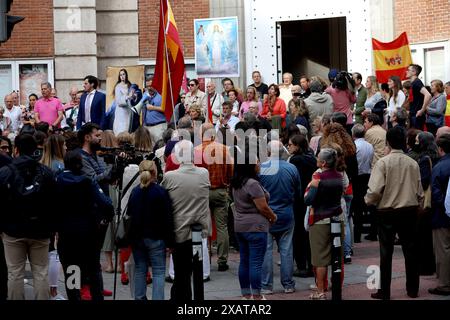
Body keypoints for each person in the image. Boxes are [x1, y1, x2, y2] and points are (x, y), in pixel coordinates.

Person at [365, 126, 423, 300]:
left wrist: (368, 200)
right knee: (411, 251)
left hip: (387, 211)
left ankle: (385, 291)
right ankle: (413, 289)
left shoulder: (383, 162)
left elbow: (374, 191)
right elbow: (419, 191)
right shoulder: (413, 163)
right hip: (409, 210)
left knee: (386, 252)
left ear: (388, 142)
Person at [0, 134, 56, 300]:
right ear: (35, 151)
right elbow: (53, 202)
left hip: (13, 230)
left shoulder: (5, 172)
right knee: (41, 272)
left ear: (15, 150)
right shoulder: (46, 172)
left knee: (15, 273)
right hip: (40, 230)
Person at [55, 150, 114, 300]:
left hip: (67, 233)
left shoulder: (58, 181)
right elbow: (106, 204)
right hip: (89, 231)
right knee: (93, 268)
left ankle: (75, 297)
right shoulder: (88, 182)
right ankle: (97, 296)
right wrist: (106, 218)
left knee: (72, 269)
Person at [161, 140, 210, 301]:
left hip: (179, 230)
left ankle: (181, 299)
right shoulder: (203, 173)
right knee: (192, 270)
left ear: (176, 157)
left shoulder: (170, 177)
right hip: (199, 231)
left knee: (182, 272)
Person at [231, 139, 277, 300]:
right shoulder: (253, 184)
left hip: (240, 225)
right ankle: (257, 295)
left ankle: (246, 294)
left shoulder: (236, 182)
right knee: (256, 262)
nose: (259, 164)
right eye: (257, 161)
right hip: (256, 226)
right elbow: (262, 207)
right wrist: (273, 216)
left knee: (244, 261)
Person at [127, 160, 175, 300]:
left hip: (137, 238)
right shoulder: (160, 192)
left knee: (140, 270)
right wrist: (171, 242)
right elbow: (167, 218)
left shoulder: (135, 192)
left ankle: (139, 297)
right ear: (155, 173)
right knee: (159, 271)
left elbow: (130, 215)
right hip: (156, 237)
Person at [304, 148, 344, 300]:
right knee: (336, 256)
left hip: (320, 219)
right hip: (336, 218)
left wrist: (313, 185)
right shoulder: (339, 177)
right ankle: (337, 289)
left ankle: (320, 291)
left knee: (320, 258)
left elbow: (308, 200)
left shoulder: (318, 177)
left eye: (318, 158)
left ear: (324, 162)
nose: (316, 159)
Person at [260, 140, 299, 295]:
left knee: (266, 250)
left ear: (268, 152)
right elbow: (297, 190)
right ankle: (288, 284)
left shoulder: (262, 169)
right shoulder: (291, 168)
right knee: (286, 250)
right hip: (286, 213)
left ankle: (266, 285)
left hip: (267, 214)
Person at [194, 123, 233, 272]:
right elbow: (231, 169)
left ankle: (203, 257)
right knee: (222, 226)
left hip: (202, 191)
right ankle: (222, 260)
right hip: (220, 190)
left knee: (202, 226)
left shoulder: (196, 151)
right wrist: (227, 182)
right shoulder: (224, 149)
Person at [287, 134, 317, 277]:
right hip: (310, 197)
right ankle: (311, 264)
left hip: (298, 200)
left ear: (297, 146)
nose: (288, 147)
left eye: (290, 144)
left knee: (298, 232)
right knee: (308, 232)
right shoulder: (312, 158)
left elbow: (293, 180)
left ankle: (301, 265)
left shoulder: (295, 160)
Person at [428, 133, 450, 296]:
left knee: (443, 250)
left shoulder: (439, 167)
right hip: (444, 212)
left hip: (442, 216)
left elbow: (436, 194)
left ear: (440, 149)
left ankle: (444, 283)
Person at [351, 124, 374, 243]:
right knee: (365, 204)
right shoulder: (370, 146)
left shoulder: (355, 146)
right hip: (367, 175)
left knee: (357, 206)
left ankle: (357, 234)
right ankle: (369, 231)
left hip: (358, 177)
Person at [406, 64, 432, 130]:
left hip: (417, 115)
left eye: (408, 70)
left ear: (414, 72)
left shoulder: (417, 82)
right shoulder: (413, 83)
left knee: (417, 136)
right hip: (413, 114)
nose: (406, 71)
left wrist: (422, 110)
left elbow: (428, 95)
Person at [112, 69, 132, 135]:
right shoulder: (118, 87)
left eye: (123, 74)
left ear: (126, 75)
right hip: (121, 111)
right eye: (121, 75)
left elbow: (133, 98)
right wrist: (127, 97)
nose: (122, 76)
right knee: (121, 129)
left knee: (128, 128)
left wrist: (133, 96)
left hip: (128, 110)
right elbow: (119, 101)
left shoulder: (129, 85)